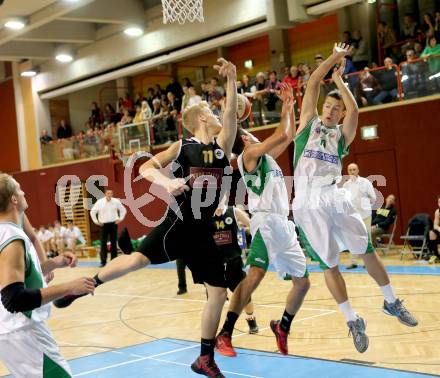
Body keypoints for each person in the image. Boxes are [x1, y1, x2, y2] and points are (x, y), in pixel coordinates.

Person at [53, 58, 238, 378]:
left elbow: (233, 113)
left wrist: (232, 79)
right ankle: (85, 285)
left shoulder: (222, 146)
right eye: (212, 109)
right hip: (178, 224)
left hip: (205, 231)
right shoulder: (183, 147)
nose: (219, 114)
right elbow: (145, 167)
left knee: (218, 292)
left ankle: (204, 358)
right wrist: (167, 183)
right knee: (137, 260)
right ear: (201, 118)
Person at [292, 42, 417, 354]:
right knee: (330, 265)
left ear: (341, 113)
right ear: (321, 110)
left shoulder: (341, 137)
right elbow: (311, 83)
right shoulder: (307, 125)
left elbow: (356, 111)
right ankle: (352, 320)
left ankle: (391, 302)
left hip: (333, 196)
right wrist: (335, 57)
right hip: (307, 203)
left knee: (367, 251)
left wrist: (339, 82)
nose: (331, 110)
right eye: (328, 107)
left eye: (337, 108)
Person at [216, 83, 310, 357]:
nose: (250, 135)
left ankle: (283, 326)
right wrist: (284, 107)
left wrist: (289, 106)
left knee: (302, 283)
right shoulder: (249, 155)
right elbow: (282, 133)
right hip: (266, 223)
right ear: (244, 141)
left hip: (283, 224)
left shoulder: (265, 158)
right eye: (247, 134)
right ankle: (226, 332)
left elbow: (288, 135)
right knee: (255, 274)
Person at [0, 173, 95, 378]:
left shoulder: (5, 233)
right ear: (14, 199)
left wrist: (54, 263)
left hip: (12, 331)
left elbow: (15, 278)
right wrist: (70, 287)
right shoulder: (12, 238)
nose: (24, 191)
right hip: (23, 331)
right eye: (19, 188)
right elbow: (14, 298)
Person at [212, 196, 259, 334]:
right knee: (215, 298)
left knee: (244, 296)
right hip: (216, 264)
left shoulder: (234, 211)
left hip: (234, 262)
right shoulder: (206, 215)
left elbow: (253, 225)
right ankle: (214, 330)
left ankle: (251, 319)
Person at [343, 163, 376, 269]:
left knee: (367, 238)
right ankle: (353, 262)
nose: (352, 171)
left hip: (365, 215)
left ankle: (368, 262)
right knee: (353, 238)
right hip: (353, 217)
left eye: (354, 169)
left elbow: (373, 198)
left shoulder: (365, 182)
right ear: (348, 172)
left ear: (358, 170)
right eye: (350, 170)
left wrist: (365, 205)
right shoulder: (346, 185)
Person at [90, 189, 126, 267]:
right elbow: (92, 212)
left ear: (112, 194)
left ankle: (114, 261)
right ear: (105, 194)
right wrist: (96, 221)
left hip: (113, 224)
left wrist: (120, 219)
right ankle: (103, 261)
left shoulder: (116, 201)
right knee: (103, 243)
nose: (109, 194)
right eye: (108, 193)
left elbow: (123, 210)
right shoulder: (100, 202)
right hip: (103, 225)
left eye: (111, 193)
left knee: (113, 243)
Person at [428, 195, 440, 263]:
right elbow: (435, 225)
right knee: (431, 233)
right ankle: (436, 255)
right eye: (439, 202)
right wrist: (439, 228)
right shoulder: (437, 212)